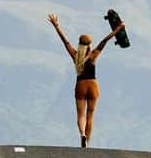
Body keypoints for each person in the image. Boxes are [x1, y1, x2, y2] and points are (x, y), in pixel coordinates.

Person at [47, 12, 126, 148]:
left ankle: (82, 134)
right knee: (90, 115)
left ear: (79, 44)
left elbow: (65, 41)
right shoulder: (93, 55)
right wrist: (118, 29)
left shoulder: (75, 55)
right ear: (89, 45)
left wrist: (56, 26)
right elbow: (104, 41)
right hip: (93, 85)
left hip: (80, 85)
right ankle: (87, 143)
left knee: (81, 115)